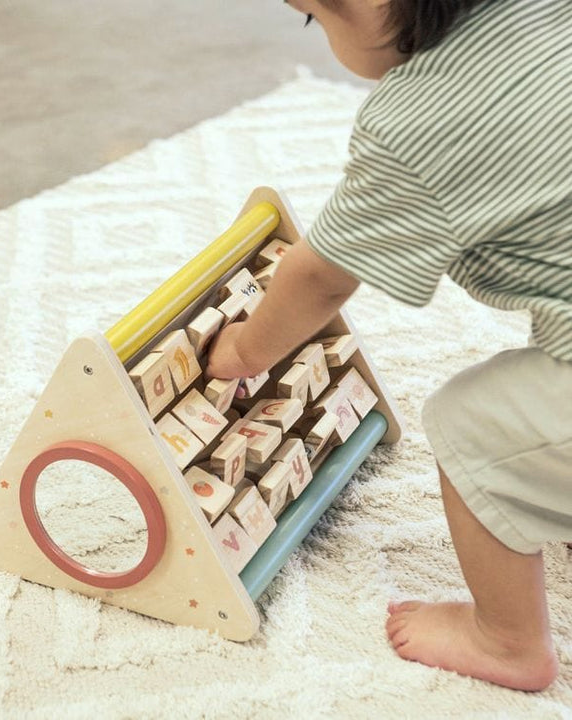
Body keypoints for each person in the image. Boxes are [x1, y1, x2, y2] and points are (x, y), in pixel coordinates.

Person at [207, 0, 571, 692]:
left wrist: (246, 351)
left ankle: (507, 641)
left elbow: (321, 275)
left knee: (474, 425)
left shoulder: (415, 123)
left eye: (316, 17)